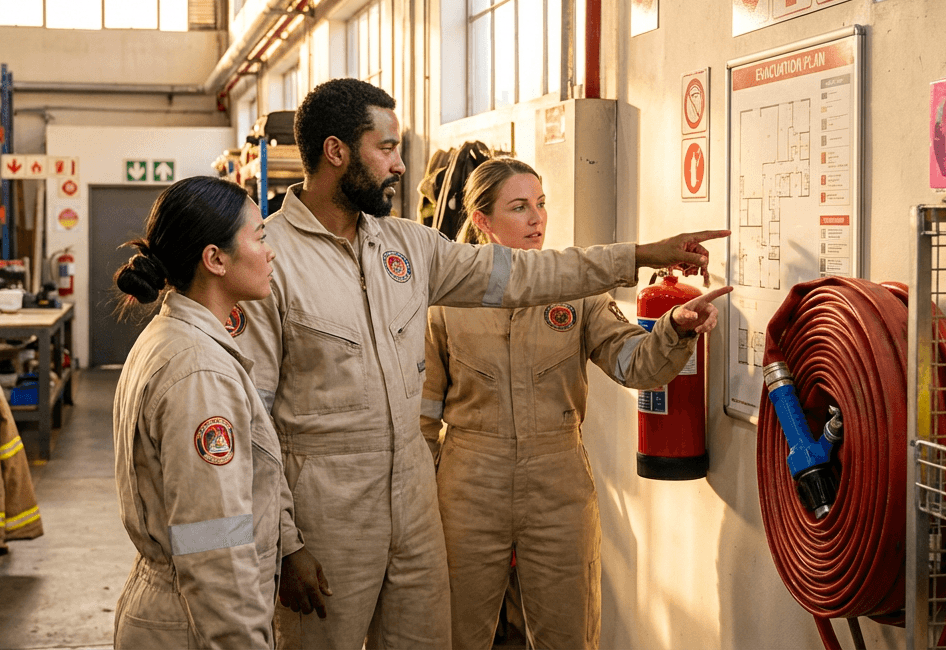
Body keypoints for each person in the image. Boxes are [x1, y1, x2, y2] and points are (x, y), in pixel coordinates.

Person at [235, 77, 728, 650]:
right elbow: (256, 421)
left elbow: (530, 280)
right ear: (336, 152)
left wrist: (646, 271)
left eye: (540, 204)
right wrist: (285, 541)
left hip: (467, 497)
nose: (399, 166)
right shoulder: (271, 260)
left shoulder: (409, 248)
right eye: (387, 148)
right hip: (375, 502)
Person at [421, 158, 731, 649]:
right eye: (519, 207)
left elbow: (634, 364)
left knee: (569, 633)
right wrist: (415, 507)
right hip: (467, 484)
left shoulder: (578, 292)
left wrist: (674, 329)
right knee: (453, 634)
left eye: (541, 204)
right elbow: (422, 418)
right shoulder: (443, 302)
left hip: (558, 479)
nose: (537, 218)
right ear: (481, 221)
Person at [110, 176, 329, 649]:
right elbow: (213, 545)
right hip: (194, 620)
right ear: (215, 259)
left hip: (177, 608)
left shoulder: (180, 340)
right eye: (260, 238)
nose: (271, 254)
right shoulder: (199, 373)